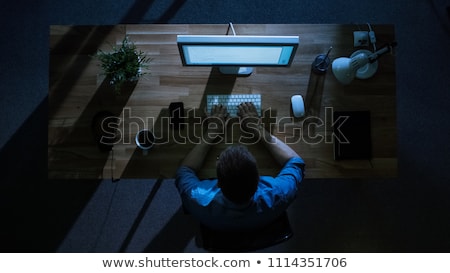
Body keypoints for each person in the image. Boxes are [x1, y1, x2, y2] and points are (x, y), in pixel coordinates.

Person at [175, 102, 305, 231]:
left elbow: (184, 171)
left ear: (218, 184)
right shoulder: (280, 193)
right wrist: (257, 128)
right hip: (262, 223)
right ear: (258, 178)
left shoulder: (196, 198)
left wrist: (211, 133)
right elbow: (295, 162)